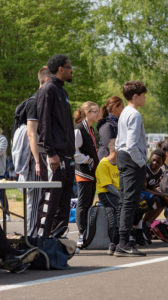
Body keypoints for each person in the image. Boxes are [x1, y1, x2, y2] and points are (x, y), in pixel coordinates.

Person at [36, 54, 75, 238]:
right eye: (69, 67)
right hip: (54, 156)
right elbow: (43, 123)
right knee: (50, 201)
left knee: (64, 204)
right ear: (60, 68)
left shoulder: (62, 92)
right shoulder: (48, 90)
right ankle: (41, 243)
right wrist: (51, 153)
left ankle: (56, 244)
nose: (71, 70)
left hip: (67, 156)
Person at [11, 66, 51, 236]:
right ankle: (31, 238)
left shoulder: (40, 101)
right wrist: (36, 161)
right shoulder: (35, 102)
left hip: (35, 156)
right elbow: (31, 134)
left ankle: (33, 236)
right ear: (47, 81)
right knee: (34, 199)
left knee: (37, 198)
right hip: (32, 157)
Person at [114, 80, 148, 257]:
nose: (144, 98)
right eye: (143, 95)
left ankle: (117, 241)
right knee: (129, 201)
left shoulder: (125, 112)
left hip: (122, 156)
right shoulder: (134, 114)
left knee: (123, 200)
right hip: (131, 159)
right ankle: (124, 242)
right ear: (135, 96)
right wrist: (141, 161)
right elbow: (133, 144)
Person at [73, 101, 101, 248]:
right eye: (95, 111)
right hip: (83, 172)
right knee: (83, 204)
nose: (98, 114)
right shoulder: (79, 129)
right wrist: (88, 159)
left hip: (91, 172)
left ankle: (87, 233)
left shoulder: (90, 129)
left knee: (89, 203)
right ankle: (81, 233)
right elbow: (74, 152)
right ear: (87, 113)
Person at [95, 139, 120, 254]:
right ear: (116, 151)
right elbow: (108, 186)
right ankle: (114, 243)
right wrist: (122, 196)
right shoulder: (104, 164)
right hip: (106, 193)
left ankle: (132, 235)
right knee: (117, 211)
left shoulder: (119, 164)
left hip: (117, 193)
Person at [97, 96, 125, 160]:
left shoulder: (117, 123)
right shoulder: (107, 125)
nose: (124, 110)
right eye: (122, 107)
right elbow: (110, 147)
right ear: (115, 107)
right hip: (107, 162)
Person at [0, 130, 8, 219]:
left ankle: (7, 214)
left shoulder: (2, 139)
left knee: (1, 195)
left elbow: (0, 151)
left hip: (0, 172)